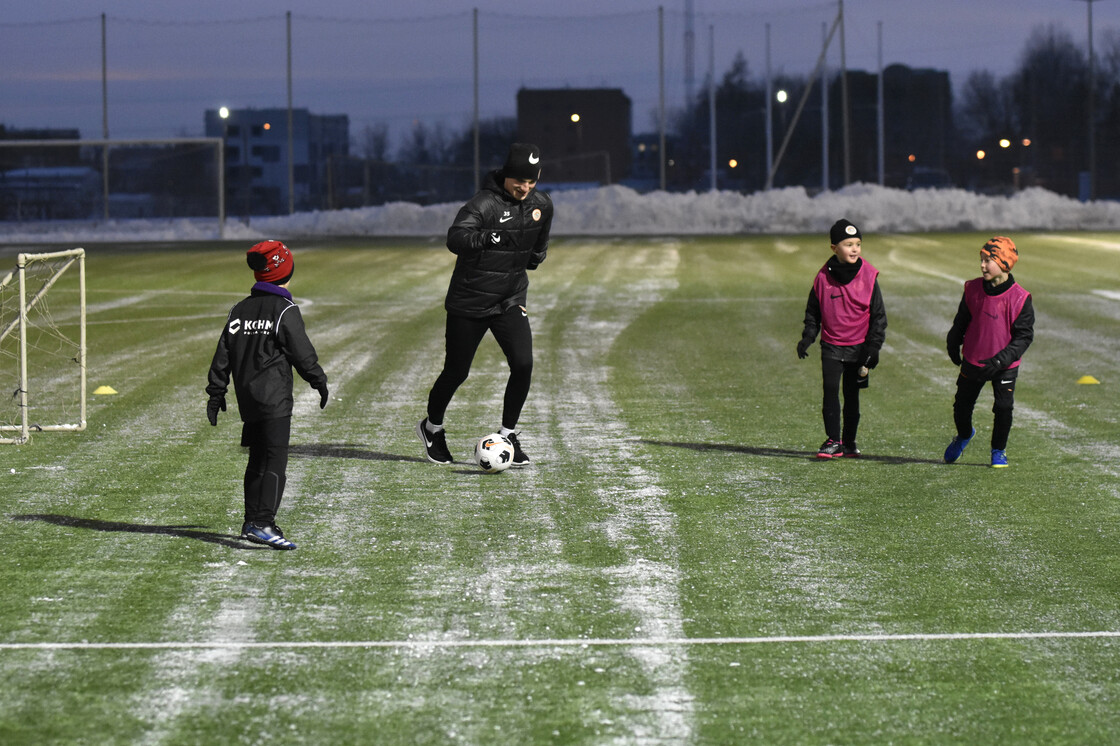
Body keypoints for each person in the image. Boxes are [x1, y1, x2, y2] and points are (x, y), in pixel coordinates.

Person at [418, 142, 554, 465]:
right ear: (506, 174)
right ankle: (432, 427)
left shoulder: (542, 205)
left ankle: (507, 434)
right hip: (471, 301)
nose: (524, 187)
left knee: (523, 363)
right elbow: (455, 237)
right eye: (519, 180)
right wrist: (485, 238)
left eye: (531, 182)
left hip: (509, 299)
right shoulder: (483, 204)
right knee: (456, 372)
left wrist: (531, 258)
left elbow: (538, 250)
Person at [206, 240, 329, 550]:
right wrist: (318, 380)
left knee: (257, 461)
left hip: (248, 401)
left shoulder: (239, 309)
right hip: (274, 401)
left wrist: (216, 393)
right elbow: (302, 353)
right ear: (285, 272)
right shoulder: (285, 310)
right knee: (274, 463)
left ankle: (251, 521)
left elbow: (223, 355)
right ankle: (264, 523)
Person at [797, 218, 887, 458]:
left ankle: (848, 442)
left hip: (859, 349)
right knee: (829, 391)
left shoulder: (869, 276)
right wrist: (808, 336)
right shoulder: (822, 277)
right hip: (832, 347)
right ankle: (832, 440)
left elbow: (878, 317)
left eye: (858, 243)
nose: (855, 248)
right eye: (848, 244)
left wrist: (873, 348)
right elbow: (813, 311)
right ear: (834, 248)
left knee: (852, 396)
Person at [943, 236, 1034, 468]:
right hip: (974, 361)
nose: (982, 265)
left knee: (1003, 408)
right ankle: (964, 435)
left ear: (1004, 263)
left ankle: (998, 450)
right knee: (961, 407)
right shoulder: (972, 289)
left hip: (1004, 366)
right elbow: (962, 319)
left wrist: (1002, 358)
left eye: (988, 260)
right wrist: (953, 340)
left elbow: (1024, 337)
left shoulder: (1020, 298)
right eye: (981, 260)